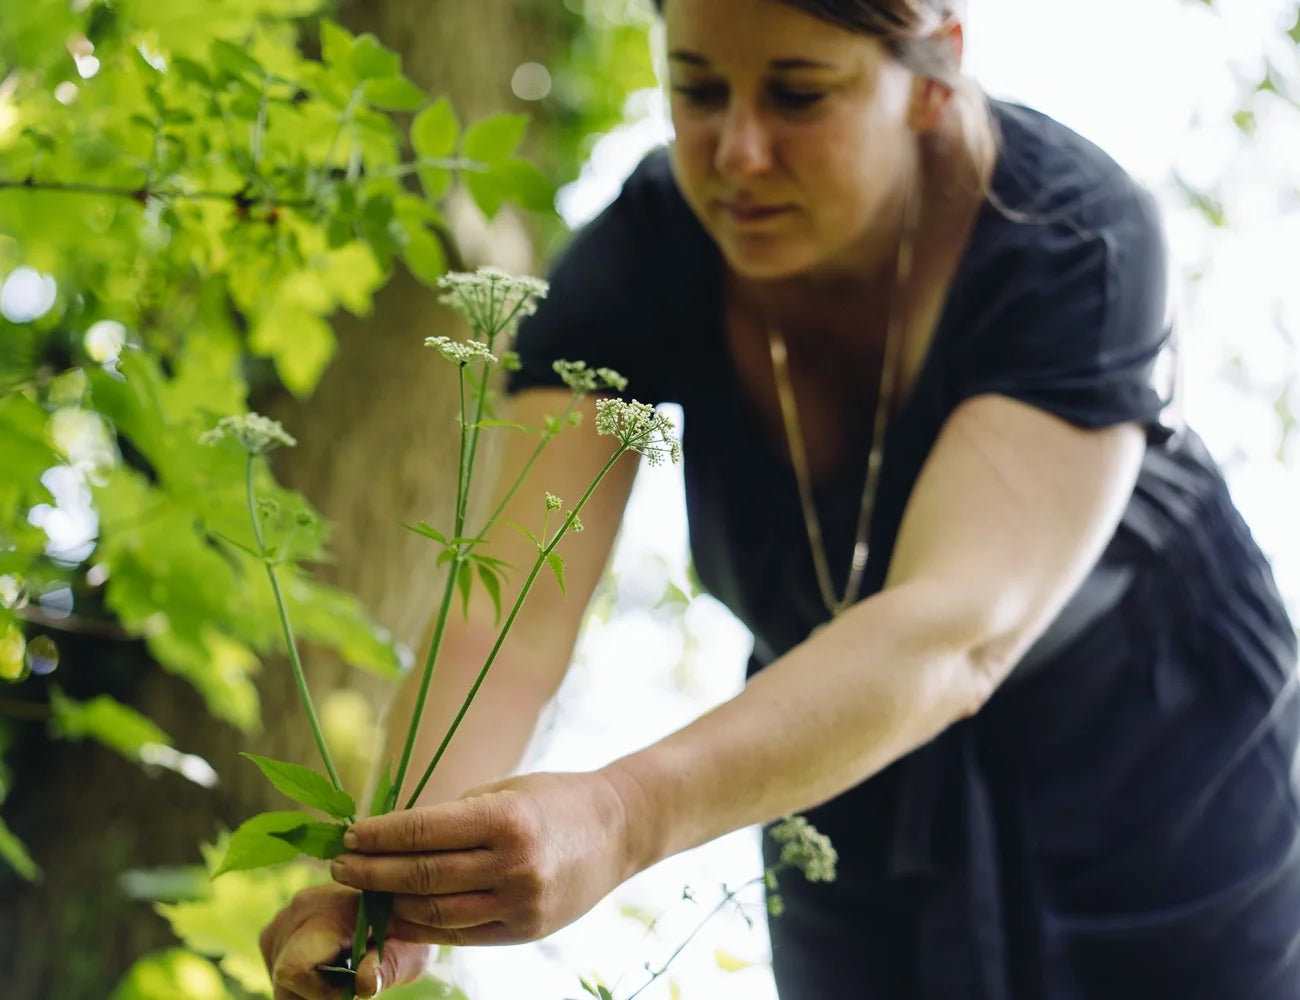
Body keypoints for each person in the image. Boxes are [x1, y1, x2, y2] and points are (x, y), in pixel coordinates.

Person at [260, 1, 1300, 996]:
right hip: (824, 767)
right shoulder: (637, 262)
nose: (738, 154)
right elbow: (508, 617)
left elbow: (953, 633)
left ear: (933, 75)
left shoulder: (1077, 239)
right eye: (698, 91)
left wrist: (621, 814)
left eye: (800, 96)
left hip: (1157, 748)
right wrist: (389, 895)